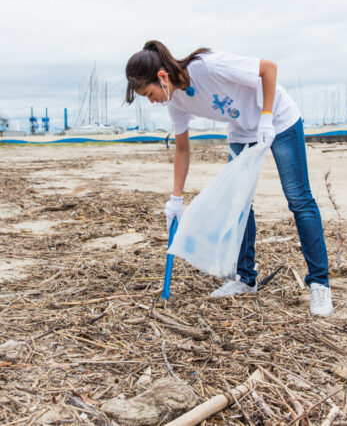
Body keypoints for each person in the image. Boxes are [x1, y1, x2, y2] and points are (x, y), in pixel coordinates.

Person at [125, 40, 333, 317]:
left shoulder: (209, 67)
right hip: (242, 132)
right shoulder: (176, 103)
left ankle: (319, 283)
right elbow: (183, 150)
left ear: (162, 78)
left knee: (298, 198)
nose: (152, 101)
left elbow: (268, 69)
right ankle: (245, 278)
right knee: (239, 204)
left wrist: (267, 118)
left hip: (279, 120)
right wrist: (176, 198)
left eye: (149, 94)